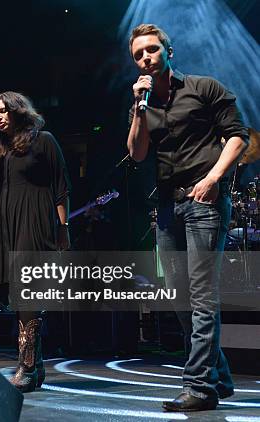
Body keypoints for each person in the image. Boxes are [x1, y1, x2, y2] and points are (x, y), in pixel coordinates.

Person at [126, 24, 248, 411]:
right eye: (138, 55)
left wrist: (214, 179)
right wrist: (138, 109)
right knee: (177, 297)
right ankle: (220, 376)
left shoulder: (204, 87)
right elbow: (138, 153)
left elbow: (238, 136)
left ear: (168, 51)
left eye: (151, 50)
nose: (146, 58)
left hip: (205, 202)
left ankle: (198, 385)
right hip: (167, 207)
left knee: (200, 295)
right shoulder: (143, 104)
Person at [0, 92, 71, 392]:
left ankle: (27, 366)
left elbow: (60, 186)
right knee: (15, 293)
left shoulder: (43, 140)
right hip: (5, 221)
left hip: (35, 217)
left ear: (18, 111)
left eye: (4, 111)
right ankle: (35, 365)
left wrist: (63, 227)